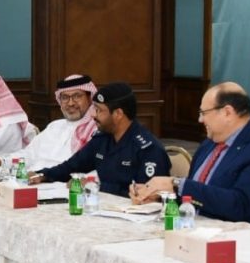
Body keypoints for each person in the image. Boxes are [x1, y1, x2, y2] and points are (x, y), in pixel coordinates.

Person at [133, 82, 250, 236]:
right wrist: (161, 195)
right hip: (200, 231)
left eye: (204, 113)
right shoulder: (210, 143)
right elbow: (197, 195)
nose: (200, 120)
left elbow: (239, 205)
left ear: (227, 112)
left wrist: (176, 184)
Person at [29, 82, 170, 196]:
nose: (93, 115)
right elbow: (72, 166)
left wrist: (95, 186)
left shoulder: (148, 149)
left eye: (99, 110)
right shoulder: (102, 139)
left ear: (118, 114)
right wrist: (43, 175)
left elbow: (147, 194)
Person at [0, 74, 98, 171]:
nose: (71, 103)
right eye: (65, 98)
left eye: (77, 96)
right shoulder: (55, 126)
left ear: (90, 98)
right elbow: (29, 155)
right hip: (35, 179)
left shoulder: (95, 130)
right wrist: (1, 161)